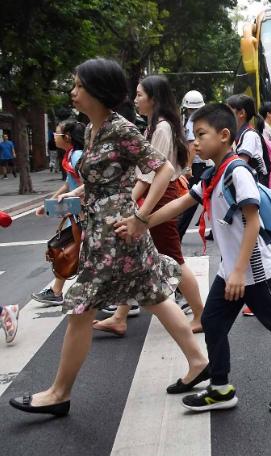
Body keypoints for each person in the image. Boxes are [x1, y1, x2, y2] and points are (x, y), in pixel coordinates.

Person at [9, 58, 207, 417]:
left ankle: (59, 393)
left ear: (98, 91)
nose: (72, 91)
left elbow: (161, 169)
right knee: (154, 294)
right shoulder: (91, 130)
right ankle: (198, 360)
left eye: (79, 86)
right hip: (104, 225)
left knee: (81, 306)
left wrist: (141, 218)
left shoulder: (121, 130)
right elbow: (105, 180)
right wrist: (71, 196)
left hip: (117, 232)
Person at [127, 103, 271, 412]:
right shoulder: (213, 174)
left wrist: (239, 272)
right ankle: (220, 388)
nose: (195, 142)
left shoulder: (237, 172)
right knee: (213, 322)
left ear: (224, 135)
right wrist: (140, 222)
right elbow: (179, 206)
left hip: (256, 271)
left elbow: (253, 221)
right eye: (194, 135)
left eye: (201, 134)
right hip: (232, 269)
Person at [94, 75, 205, 336]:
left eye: (140, 95)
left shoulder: (162, 128)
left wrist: (132, 201)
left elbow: (152, 172)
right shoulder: (155, 126)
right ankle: (120, 317)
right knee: (133, 255)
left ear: (153, 98)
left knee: (174, 258)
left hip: (161, 197)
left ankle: (201, 314)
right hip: (155, 195)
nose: (135, 100)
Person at [32, 120, 86, 306]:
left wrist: (77, 199)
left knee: (76, 252)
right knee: (70, 251)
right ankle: (56, 291)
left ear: (67, 137)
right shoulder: (71, 155)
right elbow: (67, 184)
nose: (54, 136)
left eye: (56, 132)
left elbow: (89, 182)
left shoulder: (77, 156)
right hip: (77, 215)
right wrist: (49, 204)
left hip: (83, 215)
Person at [177, 89, 207, 241]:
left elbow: (191, 147)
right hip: (207, 163)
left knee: (191, 200)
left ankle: (178, 233)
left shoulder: (191, 122)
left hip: (197, 166)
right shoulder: (205, 119)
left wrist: (188, 167)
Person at [225, 95, 268, 187]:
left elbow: (239, 164)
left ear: (241, 113)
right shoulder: (238, 134)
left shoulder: (250, 135)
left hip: (253, 187)